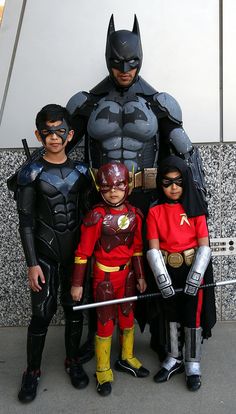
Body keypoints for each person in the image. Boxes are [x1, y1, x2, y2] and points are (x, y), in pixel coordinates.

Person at [66, 14, 207, 361]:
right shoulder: (87, 102)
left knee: (156, 264)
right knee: (96, 265)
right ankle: (93, 335)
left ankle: (163, 337)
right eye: (117, 63)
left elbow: (184, 152)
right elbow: (62, 149)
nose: (125, 70)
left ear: (141, 60)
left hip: (146, 198)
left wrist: (194, 200)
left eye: (132, 63)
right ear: (107, 59)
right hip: (102, 199)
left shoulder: (159, 102)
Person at [9, 104, 92, 403]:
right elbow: (26, 222)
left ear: (69, 134)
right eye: (47, 132)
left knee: (74, 310)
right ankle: (32, 371)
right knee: (41, 315)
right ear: (38, 134)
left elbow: (89, 215)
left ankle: (72, 361)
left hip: (76, 256)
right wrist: (32, 264)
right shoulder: (30, 173)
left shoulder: (82, 172)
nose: (54, 137)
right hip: (43, 256)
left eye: (59, 131)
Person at [71, 162, 149, 397]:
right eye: (106, 187)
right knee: (105, 323)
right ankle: (103, 369)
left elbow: (136, 249)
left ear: (128, 186)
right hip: (104, 278)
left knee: (127, 318)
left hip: (128, 276)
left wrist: (141, 276)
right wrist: (77, 283)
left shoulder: (134, 215)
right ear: (99, 188)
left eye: (119, 185)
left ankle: (126, 357)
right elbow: (83, 252)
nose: (113, 191)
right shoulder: (96, 216)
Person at [146, 155, 216, 391]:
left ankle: (192, 361)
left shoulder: (195, 208)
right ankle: (174, 357)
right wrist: (161, 277)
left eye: (178, 182)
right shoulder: (154, 211)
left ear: (185, 181)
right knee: (171, 314)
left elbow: (205, 245)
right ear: (160, 184)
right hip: (167, 269)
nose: (173, 187)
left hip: (192, 268)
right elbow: (153, 247)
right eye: (167, 182)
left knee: (192, 316)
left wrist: (196, 276)